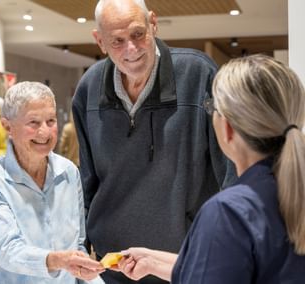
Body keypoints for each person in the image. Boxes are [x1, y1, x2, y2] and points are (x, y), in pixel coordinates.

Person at [72, 0, 235, 283]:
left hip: (183, 264)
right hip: (114, 267)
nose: (131, 49)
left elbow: (231, 170)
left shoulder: (198, 74)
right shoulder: (89, 88)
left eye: (138, 34)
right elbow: (86, 183)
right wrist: (81, 250)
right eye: (117, 41)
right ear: (100, 41)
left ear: (153, 23)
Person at [117, 54, 305, 283]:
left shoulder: (228, 212)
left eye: (211, 107)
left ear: (227, 128)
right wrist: (153, 262)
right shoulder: (289, 195)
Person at [0, 82, 105, 283]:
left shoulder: (69, 171)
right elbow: (8, 251)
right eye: (33, 123)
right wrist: (60, 260)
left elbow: (77, 246)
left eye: (51, 121)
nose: (44, 132)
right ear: (7, 126)